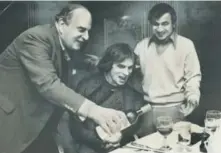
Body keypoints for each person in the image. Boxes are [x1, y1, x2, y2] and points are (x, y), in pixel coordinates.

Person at [0, 4, 128, 153]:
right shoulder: (35, 38)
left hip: (40, 129)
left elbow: (83, 62)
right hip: (12, 125)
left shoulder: (64, 45)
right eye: (81, 30)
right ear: (61, 24)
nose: (86, 37)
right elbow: (49, 85)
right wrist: (95, 111)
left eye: (88, 31)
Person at [56, 43, 144, 153]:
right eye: (121, 66)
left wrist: (120, 138)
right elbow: (76, 128)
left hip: (120, 146)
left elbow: (134, 127)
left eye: (130, 68)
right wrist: (102, 142)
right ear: (109, 64)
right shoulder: (87, 86)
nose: (126, 73)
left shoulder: (133, 95)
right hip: (89, 145)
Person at [134, 3, 201, 136]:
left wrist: (193, 97)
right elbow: (133, 77)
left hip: (175, 110)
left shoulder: (186, 45)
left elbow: (193, 76)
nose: (159, 29)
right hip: (146, 110)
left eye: (165, 24)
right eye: (155, 24)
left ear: (173, 24)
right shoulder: (140, 47)